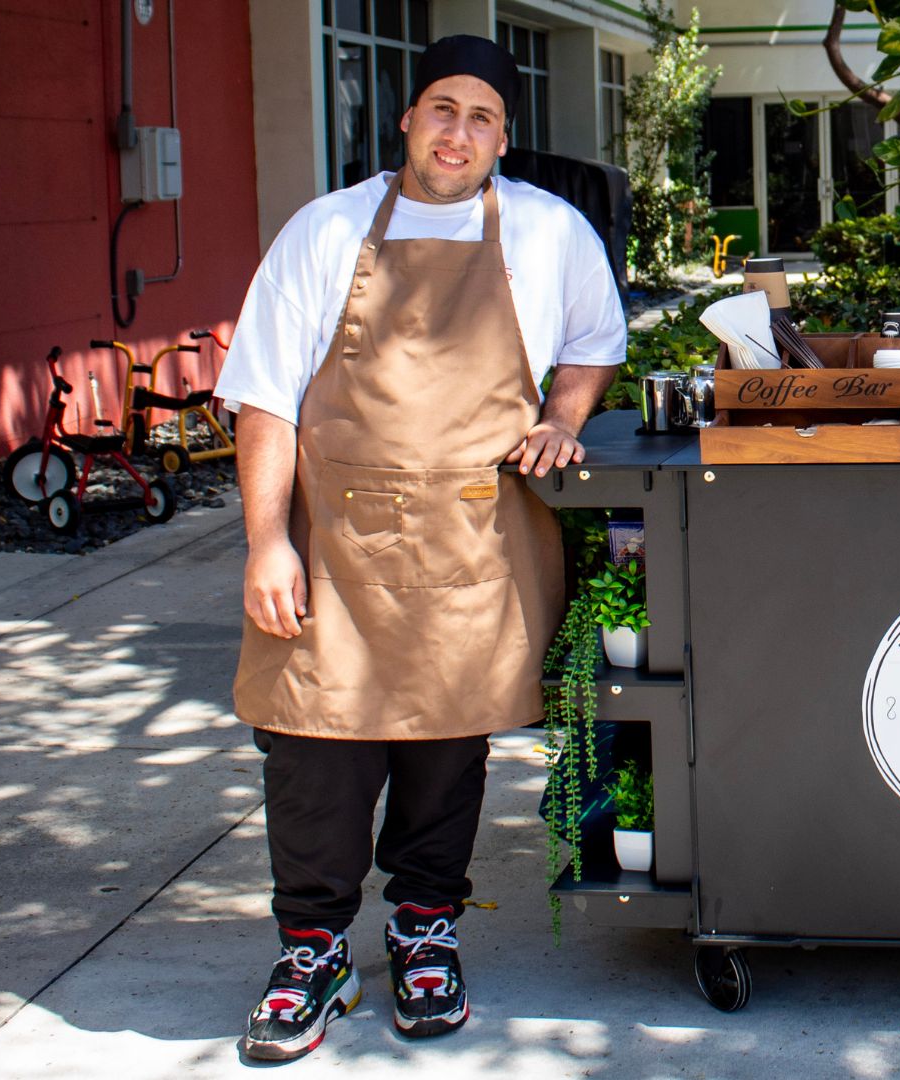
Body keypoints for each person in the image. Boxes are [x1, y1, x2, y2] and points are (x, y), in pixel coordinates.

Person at [212, 34, 623, 1061]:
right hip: (335, 542)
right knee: (313, 751)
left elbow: (593, 343)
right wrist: (266, 544)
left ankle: (425, 931)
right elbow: (263, 397)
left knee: (449, 752)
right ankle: (312, 951)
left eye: (482, 117)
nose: (458, 133)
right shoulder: (326, 229)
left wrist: (563, 417)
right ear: (407, 118)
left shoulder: (549, 230)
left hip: (472, 542)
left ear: (504, 137)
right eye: (443, 108)